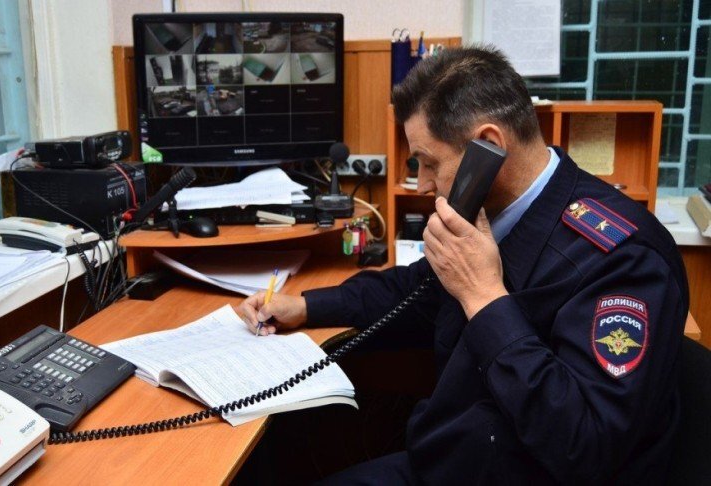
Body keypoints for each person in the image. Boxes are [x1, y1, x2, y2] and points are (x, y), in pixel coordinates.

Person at [239, 46, 689, 484]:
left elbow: (584, 445)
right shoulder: (495, 217)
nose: (421, 184)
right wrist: (307, 306)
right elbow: (413, 290)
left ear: (487, 148)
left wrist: (484, 297)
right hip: (456, 456)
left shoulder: (624, 257)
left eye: (428, 163)